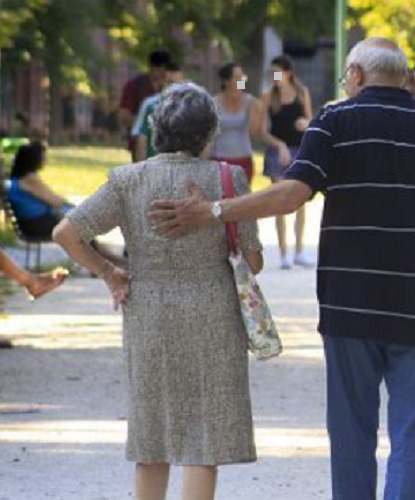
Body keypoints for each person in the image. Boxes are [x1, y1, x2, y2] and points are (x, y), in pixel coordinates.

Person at [148, 38, 415, 500]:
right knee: (414, 438)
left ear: (357, 75)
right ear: (403, 77)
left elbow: (293, 193)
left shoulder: (335, 121)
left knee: (351, 435)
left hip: (350, 303)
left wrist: (215, 211)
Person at [53, 83, 263, 500]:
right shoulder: (228, 177)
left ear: (156, 129)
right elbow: (253, 262)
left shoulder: (128, 181)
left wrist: (110, 273)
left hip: (149, 314)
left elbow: (66, 232)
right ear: (209, 132)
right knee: (204, 439)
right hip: (214, 313)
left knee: (152, 435)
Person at [261, 55, 314, 269]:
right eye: (271, 72)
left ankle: (299, 250)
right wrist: (280, 145)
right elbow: (262, 132)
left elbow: (312, 122)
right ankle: (284, 253)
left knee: (299, 200)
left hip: (300, 150)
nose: (274, 76)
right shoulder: (267, 96)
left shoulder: (302, 93)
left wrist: (306, 123)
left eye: (277, 72)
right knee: (279, 200)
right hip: (277, 153)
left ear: (288, 72)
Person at [210, 62, 290, 185]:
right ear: (226, 81)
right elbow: (208, 136)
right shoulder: (213, 103)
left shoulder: (251, 102)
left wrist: (257, 109)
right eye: (237, 77)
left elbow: (255, 131)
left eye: (243, 77)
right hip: (220, 160)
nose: (241, 80)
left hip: (243, 159)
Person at [119, 50, 171, 160]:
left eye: (164, 71)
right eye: (158, 69)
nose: (161, 74)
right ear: (151, 67)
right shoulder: (134, 85)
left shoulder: (172, 88)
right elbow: (124, 115)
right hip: (141, 142)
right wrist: (144, 122)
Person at [133, 62, 184, 161]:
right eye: (171, 83)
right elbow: (142, 138)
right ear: (163, 82)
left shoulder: (189, 108)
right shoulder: (151, 106)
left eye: (179, 83)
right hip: (154, 165)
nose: (176, 87)